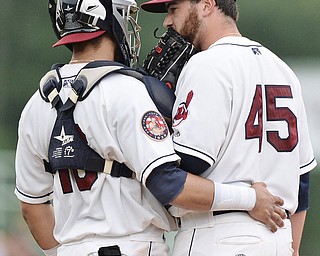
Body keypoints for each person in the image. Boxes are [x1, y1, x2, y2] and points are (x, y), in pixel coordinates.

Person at [14, 0, 286, 256]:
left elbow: (32, 206)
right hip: (132, 247)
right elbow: (169, 183)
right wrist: (250, 198)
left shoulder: (36, 104)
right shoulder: (127, 91)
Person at [140, 0, 318, 255]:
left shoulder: (206, 64)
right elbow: (301, 181)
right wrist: (292, 248)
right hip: (278, 236)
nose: (168, 22)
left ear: (206, 5)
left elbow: (187, 164)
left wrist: (156, 125)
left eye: (173, 10)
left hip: (218, 234)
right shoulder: (283, 69)